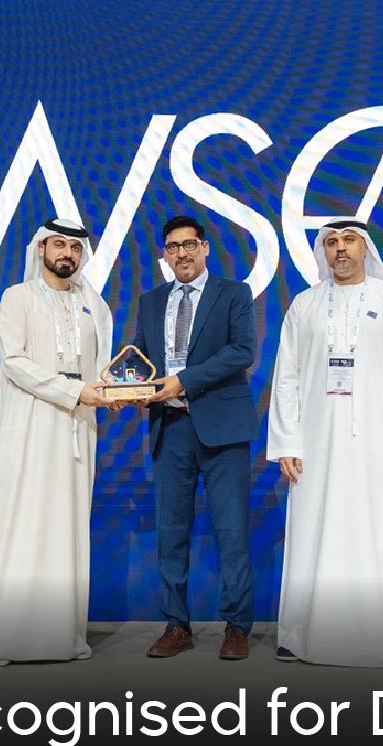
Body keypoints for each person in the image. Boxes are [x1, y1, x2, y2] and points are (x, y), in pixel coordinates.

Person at [267, 219, 383, 666]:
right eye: (331, 242)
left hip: (377, 445)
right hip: (314, 445)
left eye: (349, 240)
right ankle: (300, 635)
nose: (340, 249)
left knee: (375, 535)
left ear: (365, 248)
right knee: (311, 534)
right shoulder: (305, 304)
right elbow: (286, 377)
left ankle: (378, 639)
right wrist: (286, 443)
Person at [0, 219, 112, 666]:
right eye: (59, 244)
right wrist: (74, 391)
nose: (67, 253)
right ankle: (4, 641)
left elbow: (103, 368)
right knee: (23, 517)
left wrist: (110, 392)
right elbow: (14, 362)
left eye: (75, 246)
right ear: (41, 249)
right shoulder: (17, 298)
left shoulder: (94, 305)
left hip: (79, 426)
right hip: (30, 422)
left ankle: (65, 637)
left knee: (68, 524)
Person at [130, 216, 257, 660]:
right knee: (171, 533)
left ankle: (237, 626)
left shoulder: (234, 293)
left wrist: (183, 380)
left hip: (223, 429)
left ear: (204, 248)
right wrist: (124, 388)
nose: (181, 253)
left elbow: (242, 351)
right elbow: (140, 358)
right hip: (171, 428)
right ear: (164, 255)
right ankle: (176, 625)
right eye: (172, 247)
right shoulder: (151, 300)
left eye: (188, 245)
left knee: (232, 532)